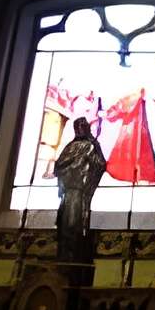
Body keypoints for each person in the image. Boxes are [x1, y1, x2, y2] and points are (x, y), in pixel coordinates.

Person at [52, 114, 108, 284]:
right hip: (73, 191)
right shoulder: (79, 146)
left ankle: (72, 255)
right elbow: (60, 165)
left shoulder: (89, 146)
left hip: (79, 191)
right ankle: (67, 257)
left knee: (75, 225)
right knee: (70, 224)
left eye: (84, 126)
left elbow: (100, 164)